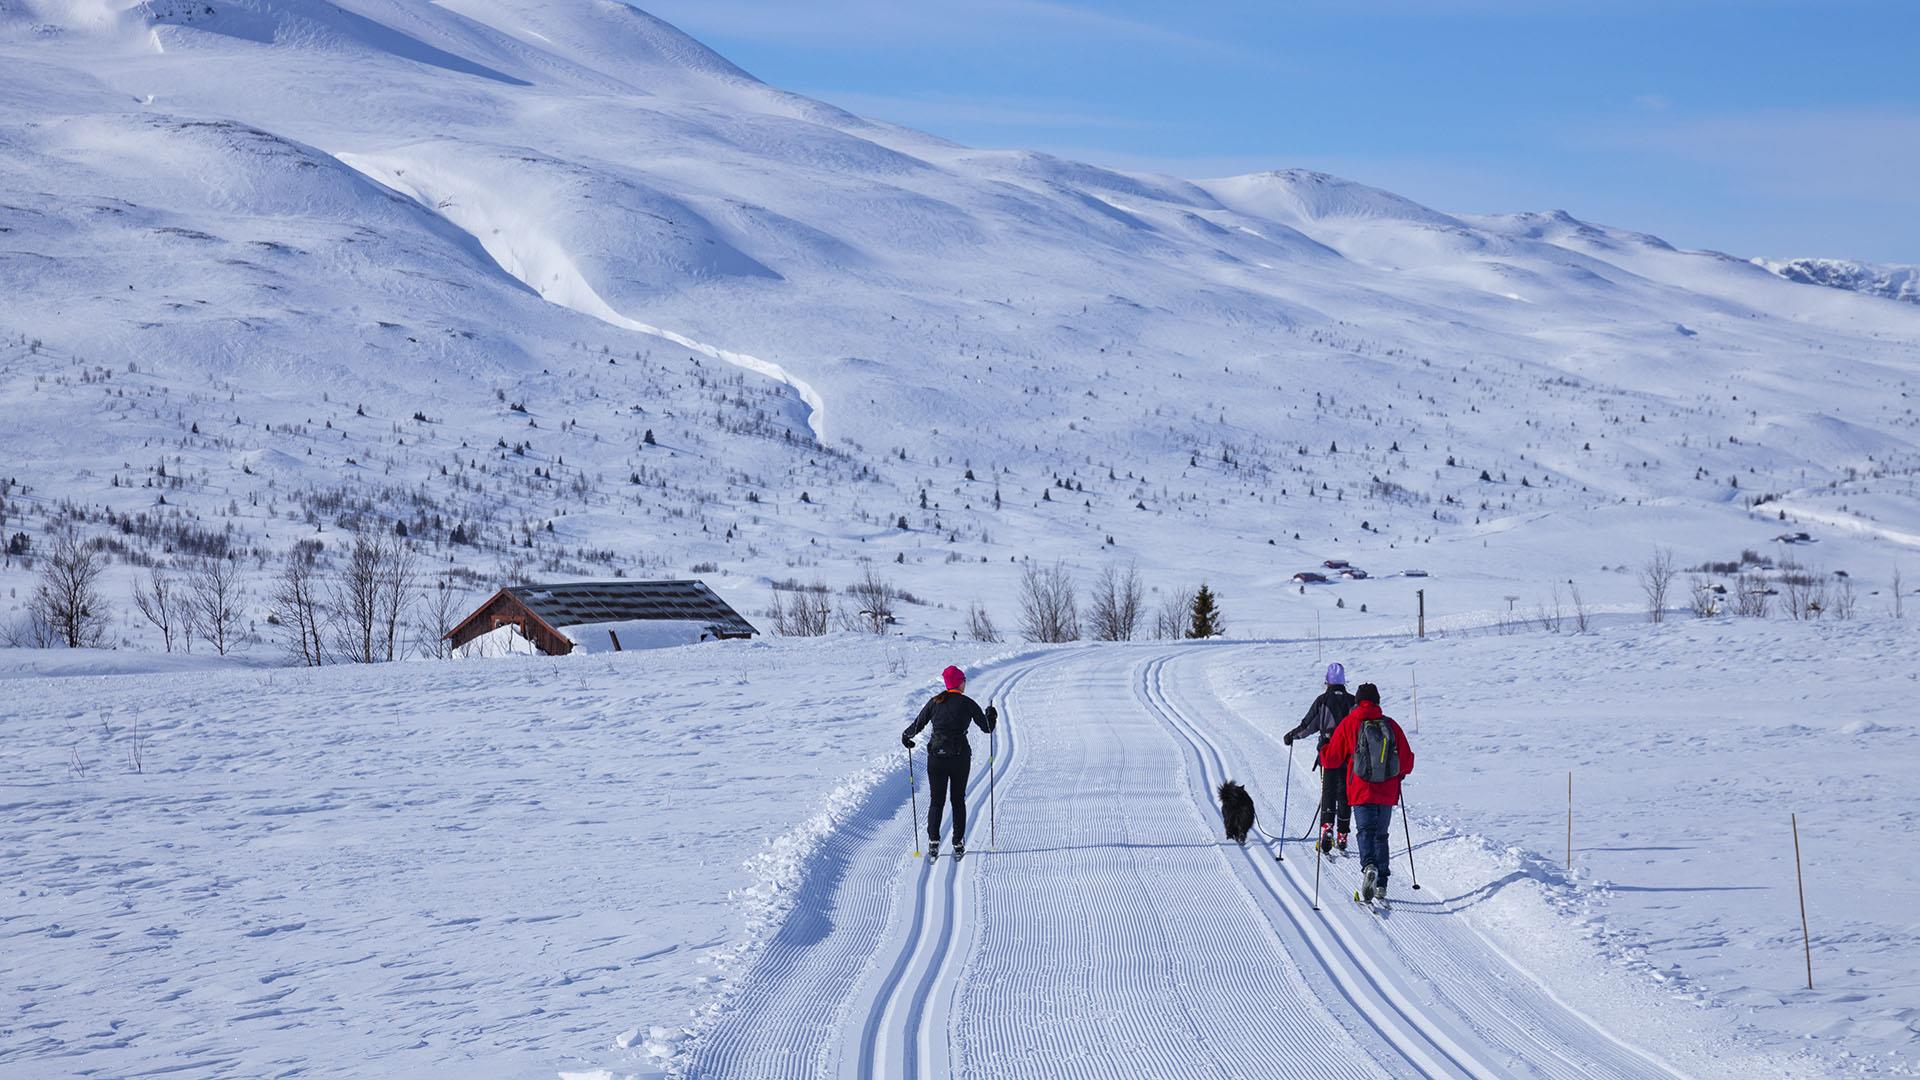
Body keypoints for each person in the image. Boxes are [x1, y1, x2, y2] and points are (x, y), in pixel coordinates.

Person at [1319, 682, 1415, 902]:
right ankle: (1381, 883)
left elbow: (1332, 759)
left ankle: (1369, 866)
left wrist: (1323, 749)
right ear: (1378, 701)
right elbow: (1407, 761)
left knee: (1365, 832)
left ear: (1357, 701)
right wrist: (1399, 774)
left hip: (1361, 790)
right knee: (1381, 835)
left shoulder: (1350, 723)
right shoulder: (1390, 725)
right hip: (1387, 791)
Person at [902, 665, 997, 858]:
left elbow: (917, 725)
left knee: (936, 801)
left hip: (936, 758)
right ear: (960, 683)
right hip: (960, 758)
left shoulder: (934, 702)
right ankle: (958, 842)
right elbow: (987, 728)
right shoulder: (967, 703)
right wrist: (991, 715)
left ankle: (933, 841)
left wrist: (906, 737)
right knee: (957, 800)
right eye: (964, 681)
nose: (965, 684)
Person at [1283, 663, 1356, 854]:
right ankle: (1343, 834)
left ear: (1327, 681)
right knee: (1345, 795)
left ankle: (1326, 830)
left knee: (1328, 792)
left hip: (1329, 753)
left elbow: (1308, 725)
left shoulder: (1322, 700)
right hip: (1349, 756)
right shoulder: (1353, 701)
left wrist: (1292, 736)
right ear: (1343, 681)